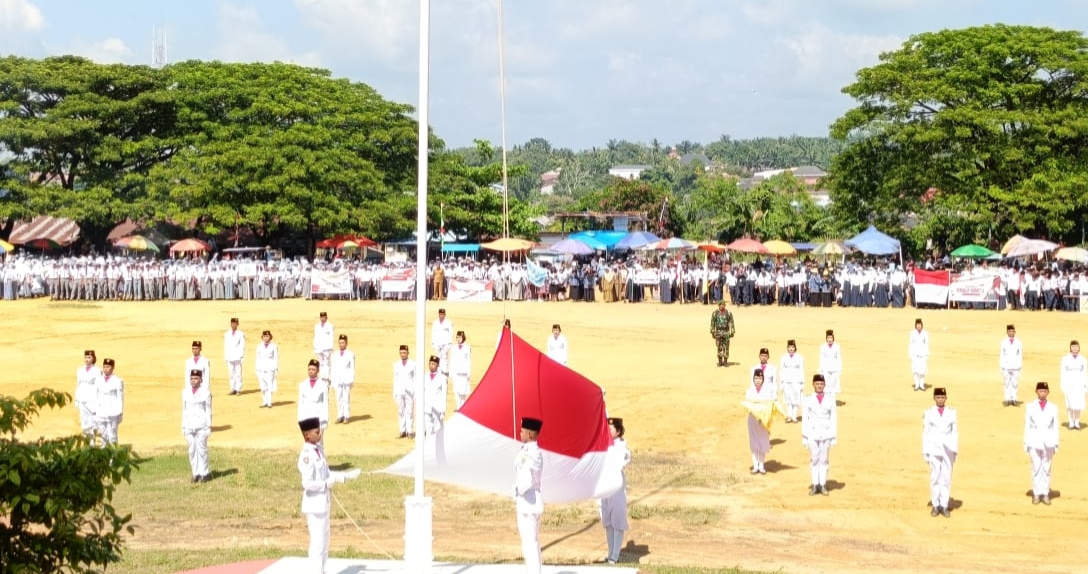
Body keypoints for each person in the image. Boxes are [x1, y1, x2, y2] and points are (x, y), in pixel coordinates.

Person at [297, 417, 361, 574]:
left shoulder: (318, 450)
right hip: (314, 505)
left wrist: (344, 476)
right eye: (317, 432)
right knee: (318, 543)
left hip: (323, 503)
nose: (320, 434)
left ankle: (322, 570)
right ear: (307, 435)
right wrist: (325, 484)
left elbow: (325, 473)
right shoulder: (306, 455)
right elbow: (307, 483)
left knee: (325, 541)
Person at [514, 416, 544, 574]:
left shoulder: (530, 453)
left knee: (529, 544)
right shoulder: (531, 451)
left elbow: (525, 480)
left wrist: (518, 489)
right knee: (532, 543)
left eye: (523, 431)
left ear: (531, 435)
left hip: (528, 503)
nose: (520, 433)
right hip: (531, 503)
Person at [922, 387, 958, 517]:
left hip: (948, 448)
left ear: (946, 398)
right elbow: (926, 433)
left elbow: (954, 432)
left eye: (942, 397)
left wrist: (955, 450)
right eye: (938, 397)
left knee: (946, 477)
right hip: (934, 447)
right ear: (934, 398)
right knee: (935, 476)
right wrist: (925, 451)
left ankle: (944, 504)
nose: (940, 399)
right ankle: (935, 505)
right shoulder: (929, 412)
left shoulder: (952, 412)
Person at [600, 417, 630, 564]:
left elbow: (623, 461)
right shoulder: (604, 445)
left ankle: (615, 555)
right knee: (608, 520)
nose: (607, 431)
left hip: (616, 487)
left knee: (617, 520)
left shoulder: (621, 446)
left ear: (618, 432)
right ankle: (610, 553)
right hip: (605, 487)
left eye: (610, 429)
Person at [1024, 382, 1059, 505]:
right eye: (1040, 391)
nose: (1042, 393)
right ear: (1036, 392)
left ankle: (1045, 493)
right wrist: (1026, 443)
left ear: (1048, 392)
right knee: (1036, 467)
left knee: (1046, 468)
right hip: (1033, 440)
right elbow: (1027, 425)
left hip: (1048, 441)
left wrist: (1056, 444)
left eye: (1044, 391)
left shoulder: (1053, 407)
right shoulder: (1030, 406)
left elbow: (1055, 427)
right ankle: (1036, 493)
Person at [801, 374, 836, 495]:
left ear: (824, 385)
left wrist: (833, 436)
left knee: (824, 459)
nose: (819, 386)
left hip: (826, 433)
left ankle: (823, 484)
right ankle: (815, 484)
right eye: (817, 384)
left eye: (821, 384)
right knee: (814, 459)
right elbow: (805, 418)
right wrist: (804, 436)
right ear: (813, 385)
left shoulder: (830, 400)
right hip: (812, 432)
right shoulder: (808, 399)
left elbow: (833, 419)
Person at [182, 369, 212, 483]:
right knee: (192, 450)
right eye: (192, 379)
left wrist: (208, 426)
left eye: (196, 379)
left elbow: (208, 410)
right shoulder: (185, 392)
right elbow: (184, 410)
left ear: (201, 380)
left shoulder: (206, 393)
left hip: (201, 424)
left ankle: (204, 473)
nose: (194, 381)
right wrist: (183, 426)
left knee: (202, 450)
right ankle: (196, 473)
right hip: (189, 425)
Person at [744, 369, 775, 474]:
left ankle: (761, 465)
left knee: (762, 442)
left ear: (763, 379)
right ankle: (755, 465)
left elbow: (769, 406)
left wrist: (767, 420)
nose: (758, 380)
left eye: (760, 378)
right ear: (753, 379)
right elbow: (748, 405)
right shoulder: (749, 391)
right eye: (756, 378)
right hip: (753, 419)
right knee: (753, 443)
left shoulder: (767, 392)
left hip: (763, 420)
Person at [95, 358, 124, 446]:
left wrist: (120, 411)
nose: (105, 369)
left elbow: (120, 397)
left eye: (108, 367)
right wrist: (95, 410)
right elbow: (96, 395)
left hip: (112, 411)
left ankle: (113, 458)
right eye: (104, 367)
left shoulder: (117, 380)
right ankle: (103, 456)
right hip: (101, 411)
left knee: (112, 436)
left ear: (112, 368)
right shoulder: (98, 380)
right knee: (102, 435)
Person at [298, 359, 330, 439]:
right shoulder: (303, 385)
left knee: (319, 442)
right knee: (308, 442)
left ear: (318, 370)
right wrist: (300, 418)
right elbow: (301, 404)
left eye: (313, 369)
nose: (311, 371)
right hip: (306, 416)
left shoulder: (323, 385)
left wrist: (324, 420)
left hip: (318, 416)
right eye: (309, 369)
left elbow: (325, 403)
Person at [74, 350, 102, 443]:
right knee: (84, 422)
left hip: (92, 399)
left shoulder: (97, 371)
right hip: (82, 399)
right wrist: (76, 399)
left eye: (89, 357)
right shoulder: (80, 370)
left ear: (93, 358)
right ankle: (88, 442)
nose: (87, 359)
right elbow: (78, 384)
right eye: (86, 357)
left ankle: (93, 441)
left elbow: (99, 386)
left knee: (93, 422)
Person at [1059, 339, 1087, 429]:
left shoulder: (1083, 360)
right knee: (1069, 404)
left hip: (1079, 385)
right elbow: (1063, 372)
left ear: (1079, 348)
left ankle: (1077, 421)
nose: (1075, 348)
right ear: (1070, 348)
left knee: (1078, 404)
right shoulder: (1065, 359)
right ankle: (1071, 421)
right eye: (1073, 347)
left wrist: (1086, 385)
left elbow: (1085, 373)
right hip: (1068, 385)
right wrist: (1063, 384)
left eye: (1076, 347)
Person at [330, 334, 356, 424]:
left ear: (346, 343)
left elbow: (352, 368)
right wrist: (332, 379)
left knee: (346, 398)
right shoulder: (334, 355)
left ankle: (346, 416)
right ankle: (340, 415)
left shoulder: (351, 354)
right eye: (340, 343)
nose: (341, 344)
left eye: (343, 343)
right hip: (337, 379)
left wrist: (352, 379)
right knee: (338, 398)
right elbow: (332, 367)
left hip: (347, 379)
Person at [779, 340, 805, 423]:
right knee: (788, 399)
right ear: (787, 348)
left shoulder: (799, 358)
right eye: (789, 347)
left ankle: (794, 416)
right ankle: (789, 415)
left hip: (796, 381)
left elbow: (801, 370)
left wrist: (802, 383)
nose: (791, 349)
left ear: (795, 348)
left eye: (792, 347)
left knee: (796, 399)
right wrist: (781, 382)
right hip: (786, 381)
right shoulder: (783, 357)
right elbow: (782, 370)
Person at [393, 344, 416, 438]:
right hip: (399, 390)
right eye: (401, 353)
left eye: (404, 353)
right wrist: (394, 393)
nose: (403, 354)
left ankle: (410, 430)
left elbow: (416, 379)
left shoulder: (413, 364)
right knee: (400, 411)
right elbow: (395, 379)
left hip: (410, 391)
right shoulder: (396, 364)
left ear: (408, 353)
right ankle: (402, 430)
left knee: (409, 411)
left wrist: (416, 392)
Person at [1000, 324, 1024, 406]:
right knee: (1007, 383)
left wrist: (1020, 365)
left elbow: (1020, 354)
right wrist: (1002, 366)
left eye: (1012, 331)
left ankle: (1014, 399)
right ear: (1007, 332)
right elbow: (1002, 355)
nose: (1011, 332)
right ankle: (1007, 399)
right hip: (1006, 366)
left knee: (1014, 383)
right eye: (1009, 331)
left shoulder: (1019, 342)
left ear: (1015, 332)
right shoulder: (1003, 342)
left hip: (1015, 366)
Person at [448, 330, 472, 409]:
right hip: (456, 371)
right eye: (457, 337)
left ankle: (463, 405)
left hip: (464, 372)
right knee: (456, 390)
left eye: (460, 337)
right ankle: (458, 406)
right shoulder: (453, 348)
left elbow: (469, 360)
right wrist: (451, 372)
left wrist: (469, 372)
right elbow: (452, 359)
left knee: (463, 390)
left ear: (463, 338)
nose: (458, 339)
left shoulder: (467, 348)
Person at [255, 330, 279, 408]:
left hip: (270, 368)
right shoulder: (259, 346)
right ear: (262, 337)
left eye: (267, 336)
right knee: (262, 386)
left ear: (270, 337)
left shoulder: (274, 346)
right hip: (261, 368)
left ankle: (269, 402)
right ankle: (264, 401)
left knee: (269, 386)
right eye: (264, 336)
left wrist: (275, 369)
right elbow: (257, 358)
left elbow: (276, 358)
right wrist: (256, 368)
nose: (266, 338)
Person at [424, 355, 447, 436]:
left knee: (438, 429)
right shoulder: (425, 377)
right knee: (428, 428)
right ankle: (428, 447)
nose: (431, 365)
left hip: (437, 407)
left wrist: (443, 410)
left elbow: (444, 394)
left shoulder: (442, 378)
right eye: (430, 363)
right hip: (426, 406)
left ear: (438, 365)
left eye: (433, 364)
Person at [223, 317, 246, 395]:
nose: (233, 325)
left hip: (237, 356)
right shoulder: (227, 333)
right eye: (232, 323)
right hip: (230, 356)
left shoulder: (241, 334)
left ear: (237, 324)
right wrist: (225, 356)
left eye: (235, 323)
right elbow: (226, 345)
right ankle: (232, 388)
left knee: (238, 373)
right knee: (231, 373)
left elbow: (242, 345)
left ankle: (238, 389)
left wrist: (241, 356)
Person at [709, 300, 735, 367]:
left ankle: (725, 361)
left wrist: (732, 331)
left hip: (726, 332)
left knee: (726, 347)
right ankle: (720, 361)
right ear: (718, 305)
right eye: (720, 305)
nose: (722, 306)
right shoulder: (715, 313)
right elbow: (712, 323)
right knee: (719, 347)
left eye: (723, 305)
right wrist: (712, 331)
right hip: (718, 332)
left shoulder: (728, 313)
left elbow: (731, 323)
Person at [818, 329, 843, 397]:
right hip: (826, 369)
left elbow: (839, 359)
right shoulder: (823, 347)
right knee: (826, 386)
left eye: (831, 337)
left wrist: (839, 370)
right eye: (828, 338)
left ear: (833, 338)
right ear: (826, 338)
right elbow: (821, 359)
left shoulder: (837, 347)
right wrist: (820, 370)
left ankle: (832, 402)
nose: (830, 339)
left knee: (833, 386)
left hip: (834, 369)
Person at [313, 312, 335, 384]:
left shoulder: (330, 326)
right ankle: (322, 376)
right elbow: (316, 337)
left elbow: (331, 337)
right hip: (319, 347)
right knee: (321, 363)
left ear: (326, 318)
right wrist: (315, 347)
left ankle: (327, 377)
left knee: (327, 362)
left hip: (327, 347)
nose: (323, 318)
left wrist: (331, 347)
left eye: (324, 317)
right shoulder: (317, 326)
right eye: (321, 317)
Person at [909, 318, 930, 391]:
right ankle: (917, 384)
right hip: (915, 354)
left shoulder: (925, 333)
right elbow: (911, 344)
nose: (918, 326)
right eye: (917, 325)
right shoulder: (912, 333)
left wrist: (927, 354)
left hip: (923, 354)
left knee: (922, 370)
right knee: (915, 370)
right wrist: (910, 354)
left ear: (921, 325)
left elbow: (927, 344)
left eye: (920, 325)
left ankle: (922, 384)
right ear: (915, 325)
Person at [431, 308, 454, 374]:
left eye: (442, 314)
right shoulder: (435, 323)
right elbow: (433, 333)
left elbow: (451, 333)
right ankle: (438, 371)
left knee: (444, 357)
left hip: (445, 343)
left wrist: (449, 343)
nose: (441, 315)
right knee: (438, 357)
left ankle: (445, 371)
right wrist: (433, 343)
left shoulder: (448, 323)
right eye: (440, 314)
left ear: (445, 315)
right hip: (437, 343)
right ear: (438, 314)